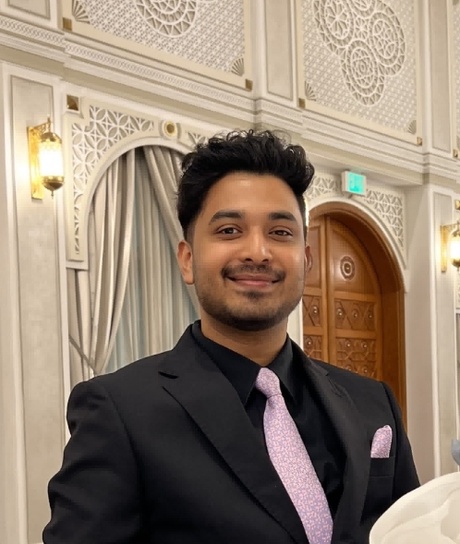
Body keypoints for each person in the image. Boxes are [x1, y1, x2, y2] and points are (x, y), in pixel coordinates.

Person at [43, 130, 419, 544]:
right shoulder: (120, 413)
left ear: (305, 260)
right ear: (187, 260)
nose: (257, 251)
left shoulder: (373, 403)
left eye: (280, 232)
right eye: (228, 231)